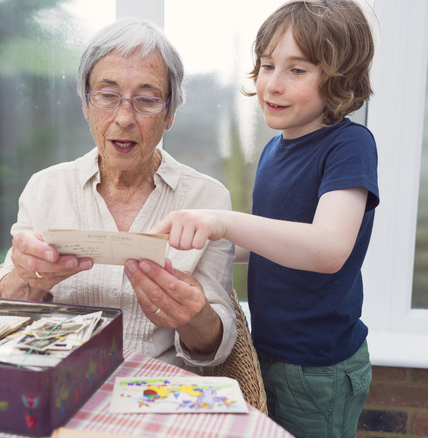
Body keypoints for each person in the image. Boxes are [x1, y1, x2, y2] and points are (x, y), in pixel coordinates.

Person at [150, 1, 378, 436]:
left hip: (317, 367)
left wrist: (223, 221)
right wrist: (195, 245)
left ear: (342, 79)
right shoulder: (276, 149)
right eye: (268, 65)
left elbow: (328, 248)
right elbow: (271, 244)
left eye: (297, 70)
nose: (272, 84)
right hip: (267, 350)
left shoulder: (349, 145)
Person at [0, 18, 237, 373]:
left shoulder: (208, 200)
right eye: (107, 95)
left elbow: (215, 345)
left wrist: (195, 317)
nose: (124, 117)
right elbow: (0, 311)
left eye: (146, 100)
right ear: (86, 104)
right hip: (57, 380)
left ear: (170, 114)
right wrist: (26, 278)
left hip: (155, 392)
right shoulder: (46, 187)